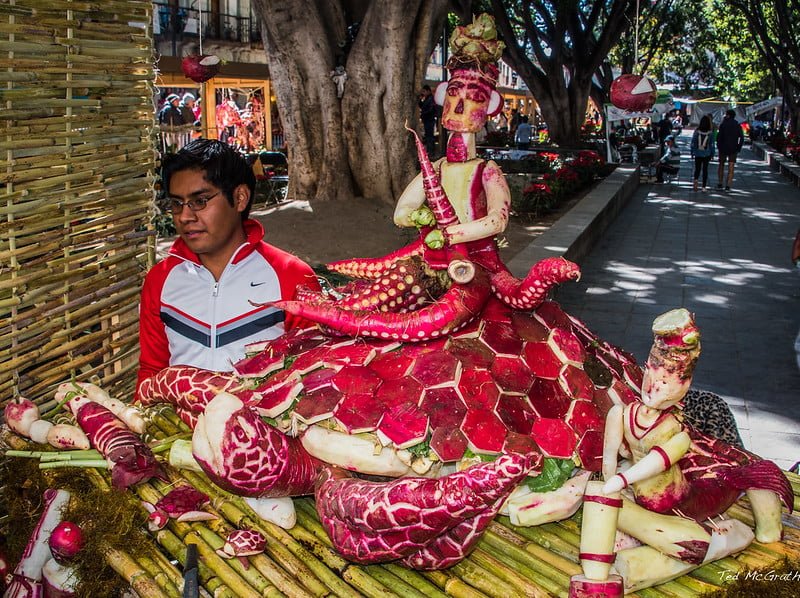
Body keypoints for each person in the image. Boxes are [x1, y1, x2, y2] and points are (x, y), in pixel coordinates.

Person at [136, 139, 319, 397]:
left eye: (200, 201)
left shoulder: (291, 276)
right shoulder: (161, 279)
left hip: (264, 433)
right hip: (179, 431)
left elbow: (314, 376)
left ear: (239, 197)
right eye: (177, 203)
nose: (185, 216)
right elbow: (152, 372)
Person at [716, 108, 744, 191]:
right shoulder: (737, 125)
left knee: (721, 165)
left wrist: (718, 146)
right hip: (733, 148)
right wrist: (739, 147)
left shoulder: (723, 124)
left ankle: (720, 182)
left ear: (728, 115)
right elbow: (741, 138)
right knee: (731, 166)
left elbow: (719, 137)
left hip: (723, 148)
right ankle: (728, 184)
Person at [690, 115, 715, 192]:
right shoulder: (710, 133)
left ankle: (696, 181)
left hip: (698, 153)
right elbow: (712, 144)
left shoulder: (697, 132)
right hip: (706, 153)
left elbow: (693, 142)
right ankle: (704, 186)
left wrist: (692, 152)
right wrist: (712, 153)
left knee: (697, 169)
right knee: (705, 169)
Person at [418, 85, 437, 156]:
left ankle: (431, 152)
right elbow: (422, 106)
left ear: (428, 91)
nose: (423, 93)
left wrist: (423, 114)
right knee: (428, 136)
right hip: (427, 120)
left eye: (424, 91)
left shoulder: (431, 99)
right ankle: (430, 151)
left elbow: (430, 110)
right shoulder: (427, 98)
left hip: (429, 120)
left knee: (430, 136)